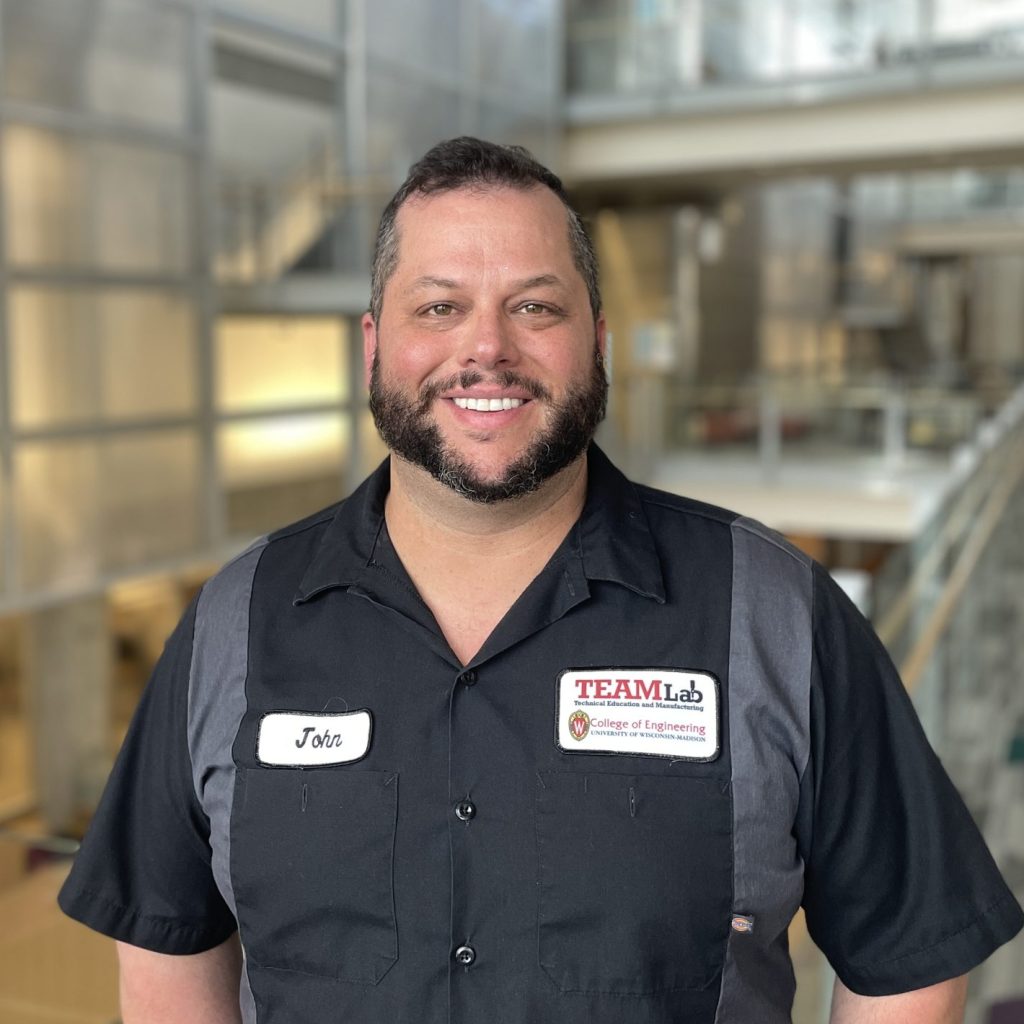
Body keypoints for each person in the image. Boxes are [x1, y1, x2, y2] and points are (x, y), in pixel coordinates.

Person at [59, 137, 1021, 1024]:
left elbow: (911, 953)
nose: (487, 348)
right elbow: (168, 950)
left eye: (534, 307)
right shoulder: (235, 621)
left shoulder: (772, 613)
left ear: (597, 341)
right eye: (440, 307)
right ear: (373, 346)